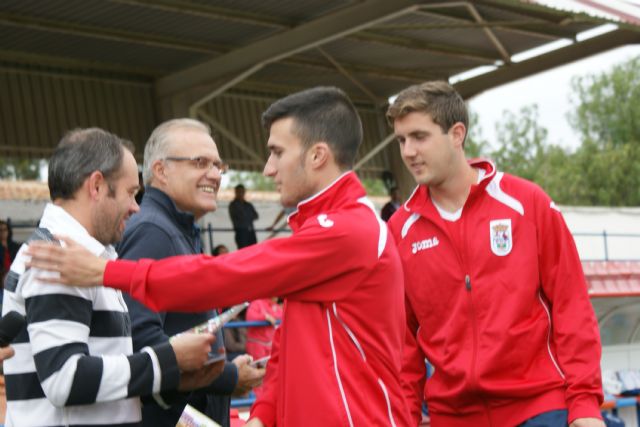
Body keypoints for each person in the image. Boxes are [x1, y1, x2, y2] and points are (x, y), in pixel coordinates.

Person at [27, 87, 413, 427]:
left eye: (277, 152)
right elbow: (288, 345)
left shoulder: (346, 231)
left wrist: (106, 272)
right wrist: (263, 413)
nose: (268, 168)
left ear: (317, 155)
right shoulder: (329, 229)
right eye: (200, 162)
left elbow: (226, 274)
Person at [385, 81, 604, 427]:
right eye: (401, 140)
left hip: (539, 408)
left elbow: (571, 306)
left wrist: (585, 404)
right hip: (452, 416)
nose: (408, 151)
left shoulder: (526, 203)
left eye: (419, 137)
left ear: (457, 134)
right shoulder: (399, 230)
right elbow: (401, 344)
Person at [2, 128, 219, 427]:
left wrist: (175, 381)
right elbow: (65, 379)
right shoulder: (56, 258)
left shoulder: (85, 257)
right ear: (97, 186)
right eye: (131, 192)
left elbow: (107, 384)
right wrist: (168, 360)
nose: (136, 206)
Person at [115, 119, 265, 427]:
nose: (214, 174)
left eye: (217, 165)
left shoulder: (176, 229)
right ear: (160, 171)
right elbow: (140, 339)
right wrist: (228, 376)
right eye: (200, 162)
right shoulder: (154, 232)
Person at [229, 184, 259, 249]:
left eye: (242, 191)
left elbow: (256, 216)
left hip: (251, 232)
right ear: (236, 192)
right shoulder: (233, 205)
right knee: (243, 252)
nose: (241, 193)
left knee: (254, 250)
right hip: (241, 232)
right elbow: (240, 217)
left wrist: (246, 216)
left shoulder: (248, 204)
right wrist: (248, 216)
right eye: (239, 191)